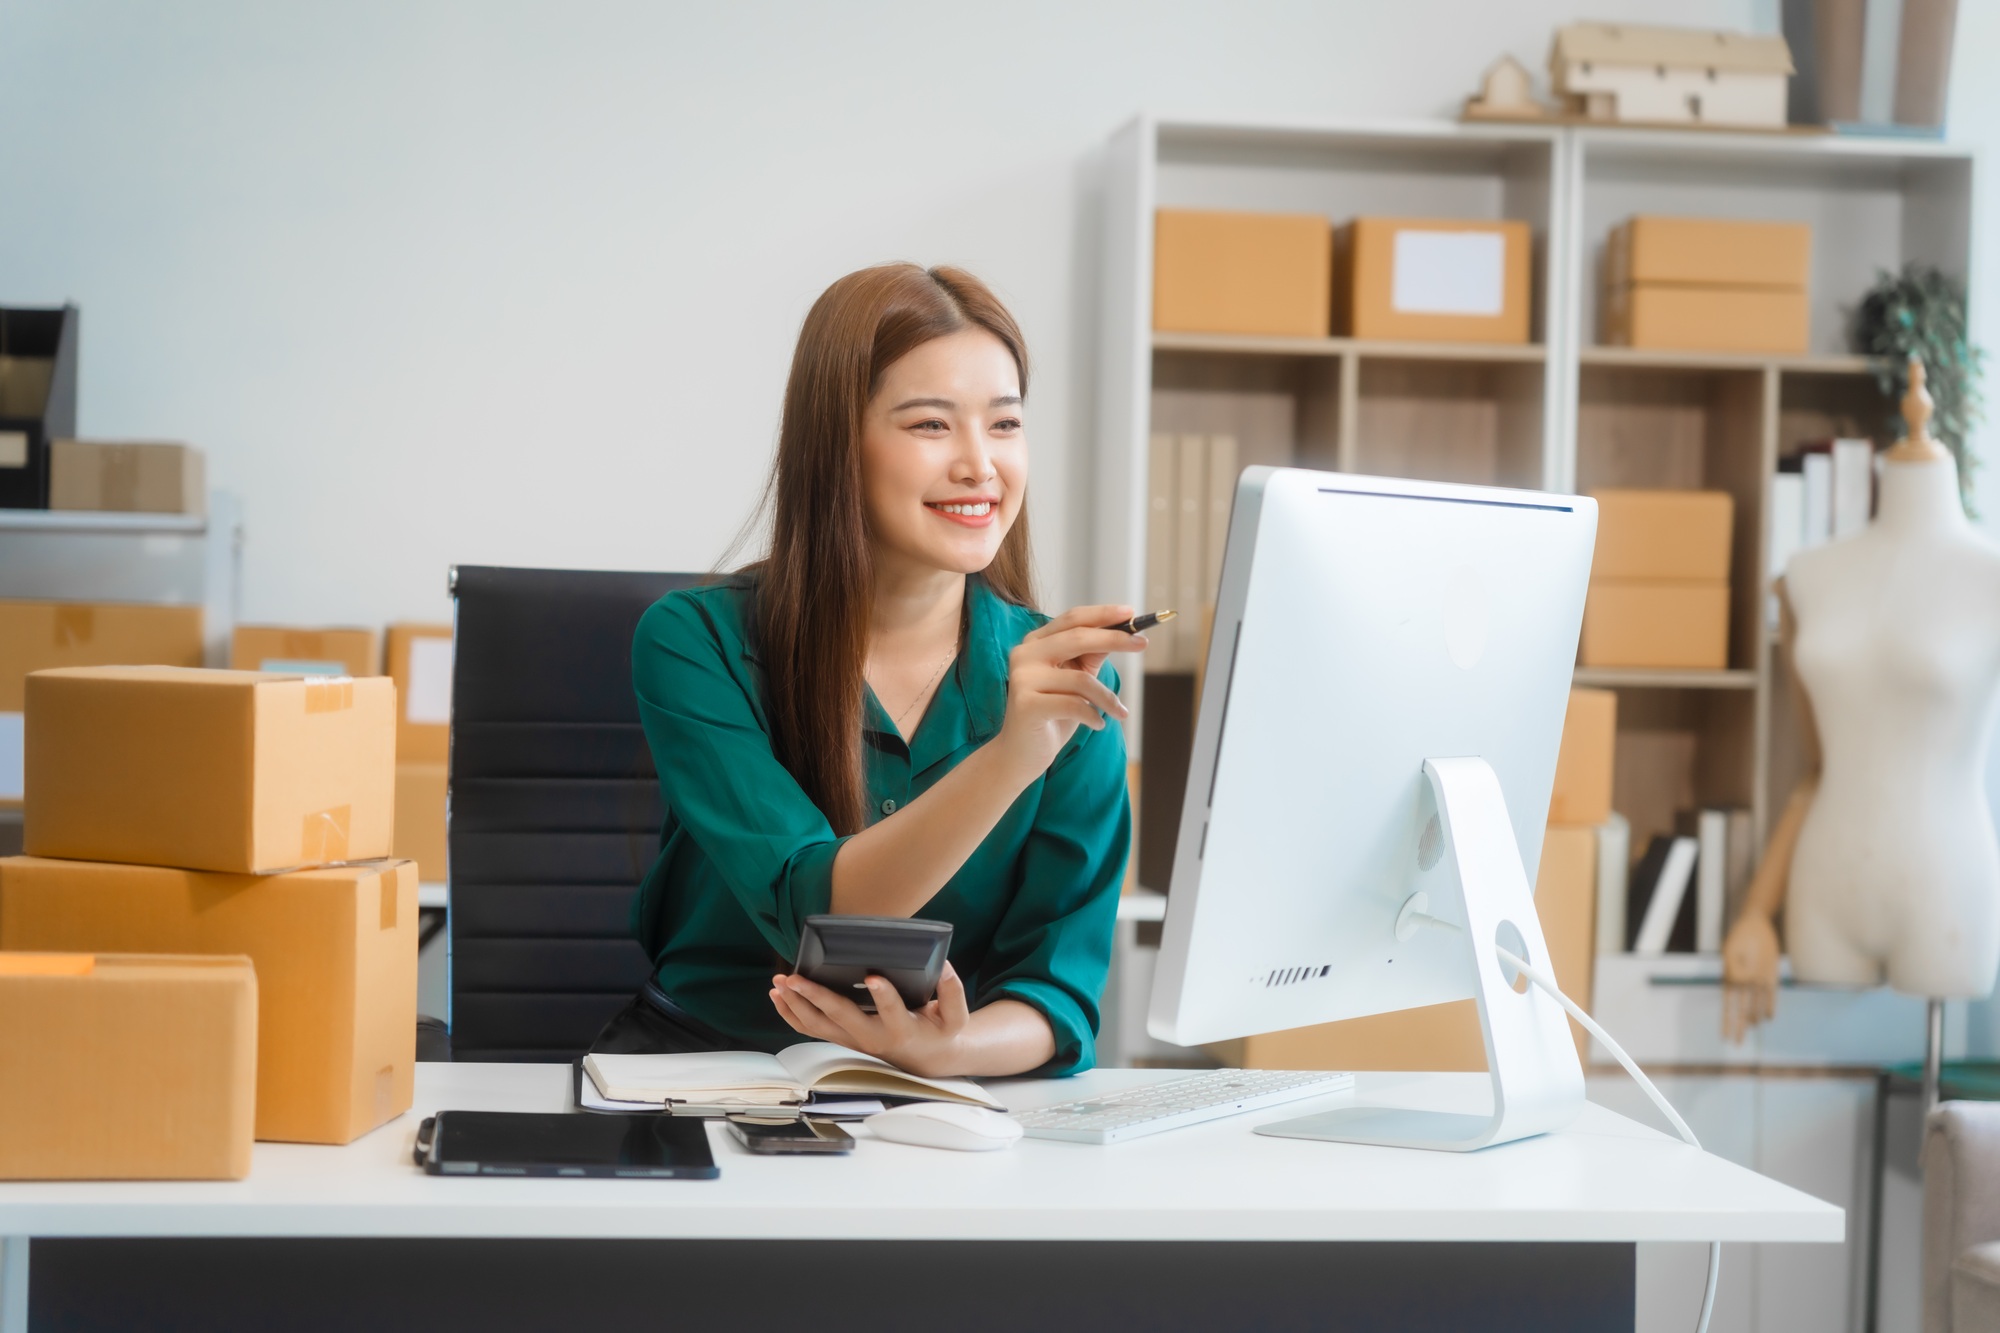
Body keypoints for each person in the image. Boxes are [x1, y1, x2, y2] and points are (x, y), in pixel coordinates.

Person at [590, 263, 1145, 1078]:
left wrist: (946, 1049)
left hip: (941, 1098)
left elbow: (1058, 987)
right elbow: (816, 907)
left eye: (1004, 425)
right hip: (705, 1076)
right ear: (835, 441)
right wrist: (1011, 756)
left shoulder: (1061, 679)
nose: (979, 465)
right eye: (930, 426)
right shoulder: (694, 641)